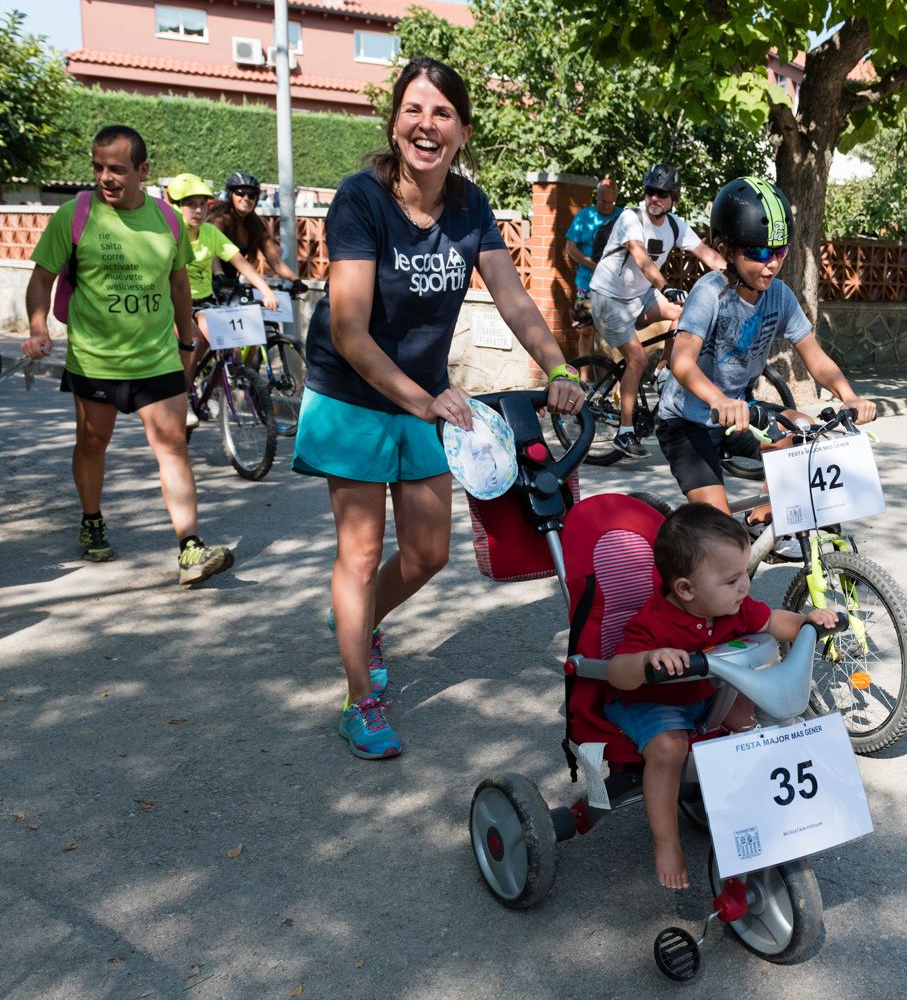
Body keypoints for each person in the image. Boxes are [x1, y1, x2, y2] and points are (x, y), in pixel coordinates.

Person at [294, 57, 584, 760]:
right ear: (395, 121)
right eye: (414, 110)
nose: (426, 125)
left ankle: (363, 623)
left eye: (442, 114)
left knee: (426, 554)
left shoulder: (469, 206)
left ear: (462, 131)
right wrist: (425, 401)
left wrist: (558, 365)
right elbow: (350, 331)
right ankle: (359, 698)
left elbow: (513, 297)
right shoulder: (360, 201)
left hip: (424, 396)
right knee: (360, 554)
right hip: (353, 395)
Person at [20, 126, 236, 586]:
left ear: (142, 171)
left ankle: (190, 547)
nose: (105, 178)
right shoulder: (73, 216)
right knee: (92, 443)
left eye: (116, 169)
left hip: (155, 358)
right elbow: (41, 279)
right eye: (98, 167)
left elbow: (179, 283)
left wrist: (185, 337)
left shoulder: (168, 221)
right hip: (94, 358)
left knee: (172, 447)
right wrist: (39, 327)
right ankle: (92, 518)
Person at [605, 503, 836, 888]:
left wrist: (806, 621)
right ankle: (667, 842)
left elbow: (773, 621)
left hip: (707, 696)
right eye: (731, 580)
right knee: (669, 750)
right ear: (685, 589)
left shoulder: (732, 607)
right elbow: (616, 672)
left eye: (743, 573)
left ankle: (760, 807)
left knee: (752, 724)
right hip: (651, 703)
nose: (744, 586)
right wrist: (650, 658)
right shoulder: (655, 620)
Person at [659, 176, 877, 516]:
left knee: (802, 434)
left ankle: (765, 524)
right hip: (688, 422)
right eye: (758, 251)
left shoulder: (780, 296)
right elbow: (682, 361)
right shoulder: (710, 293)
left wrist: (848, 396)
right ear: (726, 249)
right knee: (719, 532)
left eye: (779, 251)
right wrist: (718, 399)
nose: (771, 263)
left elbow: (815, 357)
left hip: (740, 416)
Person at [587, 163, 725, 458]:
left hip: (639, 296)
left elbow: (706, 254)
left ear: (674, 198)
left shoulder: (675, 225)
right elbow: (641, 258)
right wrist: (665, 287)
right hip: (608, 297)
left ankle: (664, 370)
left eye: (662, 194)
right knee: (636, 358)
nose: (655, 198)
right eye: (651, 191)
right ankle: (624, 433)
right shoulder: (630, 218)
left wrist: (736, 276)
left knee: (684, 313)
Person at [164, 173, 279, 427]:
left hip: (204, 302)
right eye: (190, 204)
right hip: (173, 304)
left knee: (234, 350)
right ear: (176, 206)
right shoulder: (168, 233)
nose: (198, 210)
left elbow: (241, 262)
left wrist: (265, 290)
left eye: (203, 204)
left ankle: (207, 388)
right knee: (193, 341)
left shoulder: (209, 233)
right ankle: (183, 396)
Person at [562, 175, 619, 358]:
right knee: (586, 331)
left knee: (612, 333)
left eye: (611, 202)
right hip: (587, 284)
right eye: (603, 201)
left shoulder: (623, 216)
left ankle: (610, 378)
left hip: (615, 287)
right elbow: (570, 247)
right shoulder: (584, 217)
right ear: (597, 197)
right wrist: (592, 265)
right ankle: (584, 379)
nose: (607, 206)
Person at [208, 171, 300, 282]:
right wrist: (219, 274)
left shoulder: (254, 223)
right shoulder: (220, 219)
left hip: (230, 283)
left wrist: (295, 280)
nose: (246, 198)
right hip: (207, 280)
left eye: (252, 195)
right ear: (230, 195)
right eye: (240, 193)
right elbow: (211, 251)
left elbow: (275, 261)